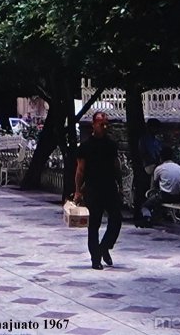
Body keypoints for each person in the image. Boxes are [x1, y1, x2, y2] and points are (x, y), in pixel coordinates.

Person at [74, 111, 122, 270]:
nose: (104, 126)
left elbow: (116, 165)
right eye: (101, 123)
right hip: (93, 189)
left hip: (109, 187)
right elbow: (80, 170)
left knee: (116, 220)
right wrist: (78, 191)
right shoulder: (86, 146)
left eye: (106, 123)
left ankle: (104, 247)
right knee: (94, 224)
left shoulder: (111, 144)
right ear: (93, 124)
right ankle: (95, 258)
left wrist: (120, 185)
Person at [140, 146, 180, 227]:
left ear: (161, 157)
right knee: (156, 199)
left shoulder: (159, 168)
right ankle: (157, 217)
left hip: (165, 196)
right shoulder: (178, 167)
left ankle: (148, 219)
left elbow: (154, 186)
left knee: (145, 206)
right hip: (178, 196)